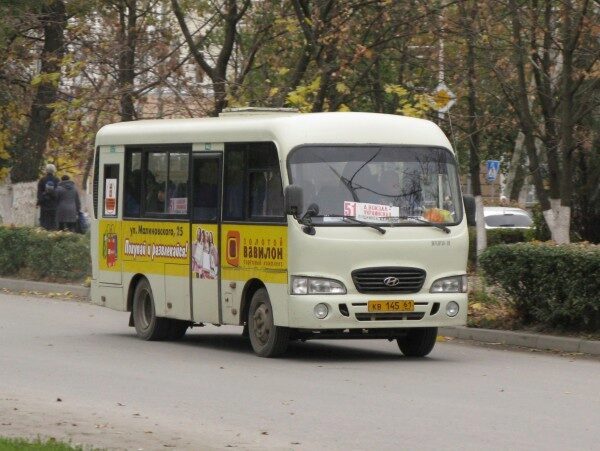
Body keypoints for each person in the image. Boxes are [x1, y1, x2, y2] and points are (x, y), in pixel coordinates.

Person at [36, 164, 59, 230]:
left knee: (44, 223)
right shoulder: (57, 180)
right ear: (54, 170)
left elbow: (39, 193)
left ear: (46, 171)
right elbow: (58, 193)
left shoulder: (42, 180)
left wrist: (39, 202)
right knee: (53, 223)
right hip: (54, 205)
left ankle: (44, 236)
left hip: (44, 204)